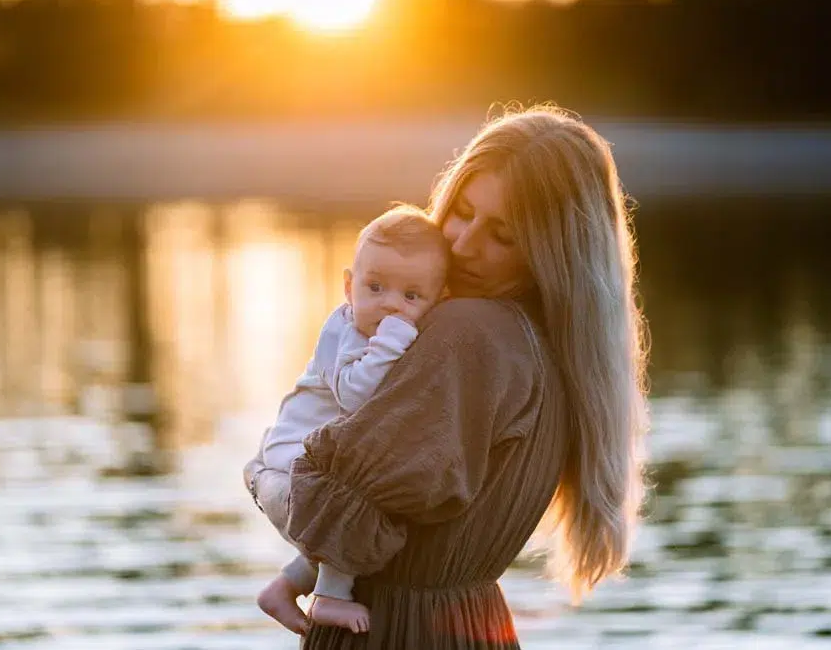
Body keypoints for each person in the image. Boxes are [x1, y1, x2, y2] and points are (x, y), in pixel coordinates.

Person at [248, 104, 649, 649]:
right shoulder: (556, 350)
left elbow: (332, 508)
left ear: (551, 252)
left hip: (394, 630)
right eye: (461, 212)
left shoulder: (468, 333)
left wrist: (262, 475)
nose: (462, 244)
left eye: (502, 234)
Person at [244, 204, 450, 635]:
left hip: (315, 455)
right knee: (350, 504)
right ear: (348, 286)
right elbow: (355, 394)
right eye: (375, 287)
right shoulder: (343, 331)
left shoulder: (388, 333)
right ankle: (330, 598)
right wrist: (394, 340)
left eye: (411, 296)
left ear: (438, 300)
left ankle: (284, 587)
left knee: (357, 509)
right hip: (293, 455)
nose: (390, 305)